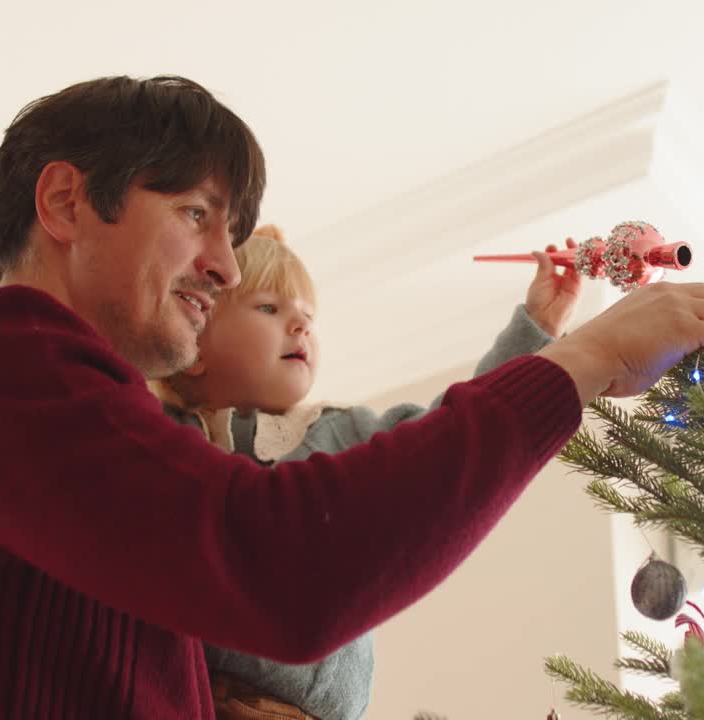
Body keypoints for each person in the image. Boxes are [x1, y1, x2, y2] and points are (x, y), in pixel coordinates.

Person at [0, 75, 704, 719]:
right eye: (196, 214)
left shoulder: (78, 455)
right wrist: (577, 363)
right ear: (65, 203)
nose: (224, 265)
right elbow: (280, 564)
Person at [151, 224, 582, 720]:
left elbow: (451, 436)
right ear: (196, 346)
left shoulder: (342, 430)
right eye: (269, 308)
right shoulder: (165, 437)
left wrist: (537, 328)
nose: (300, 326)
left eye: (307, 316)